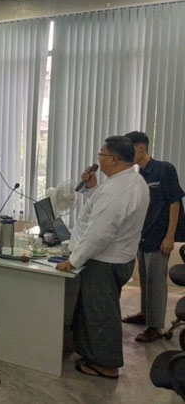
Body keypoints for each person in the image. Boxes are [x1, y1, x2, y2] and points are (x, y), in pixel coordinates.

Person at [56, 136, 149, 379]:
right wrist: (92, 188)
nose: (98, 159)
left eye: (101, 155)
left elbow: (100, 234)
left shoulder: (118, 190)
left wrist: (73, 261)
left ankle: (107, 365)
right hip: (119, 257)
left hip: (105, 262)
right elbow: (103, 210)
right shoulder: (131, 181)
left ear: (115, 159)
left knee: (101, 314)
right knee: (95, 310)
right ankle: (92, 353)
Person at [120, 131, 185, 342]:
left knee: (156, 283)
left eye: (130, 149)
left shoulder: (164, 169)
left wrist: (170, 236)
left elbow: (174, 202)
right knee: (145, 279)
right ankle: (145, 314)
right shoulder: (139, 174)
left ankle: (155, 327)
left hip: (159, 237)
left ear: (141, 148)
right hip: (143, 235)